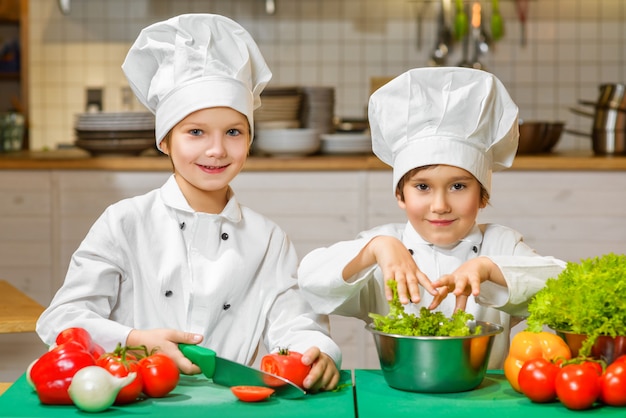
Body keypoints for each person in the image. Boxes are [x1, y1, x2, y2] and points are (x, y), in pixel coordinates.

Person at [36, 14, 341, 392]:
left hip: (233, 403)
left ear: (249, 140)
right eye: (195, 132)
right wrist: (134, 339)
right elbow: (62, 319)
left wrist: (317, 353)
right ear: (165, 140)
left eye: (233, 132)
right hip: (133, 396)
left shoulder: (268, 239)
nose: (216, 149)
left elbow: (295, 323)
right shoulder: (124, 222)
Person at [297, 67, 566, 368]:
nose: (440, 205)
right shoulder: (384, 251)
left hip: (486, 401)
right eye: (422, 187)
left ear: (482, 194)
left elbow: (565, 286)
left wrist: (490, 269)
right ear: (400, 195)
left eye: (458, 186)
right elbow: (310, 282)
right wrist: (375, 249)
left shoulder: (500, 245)